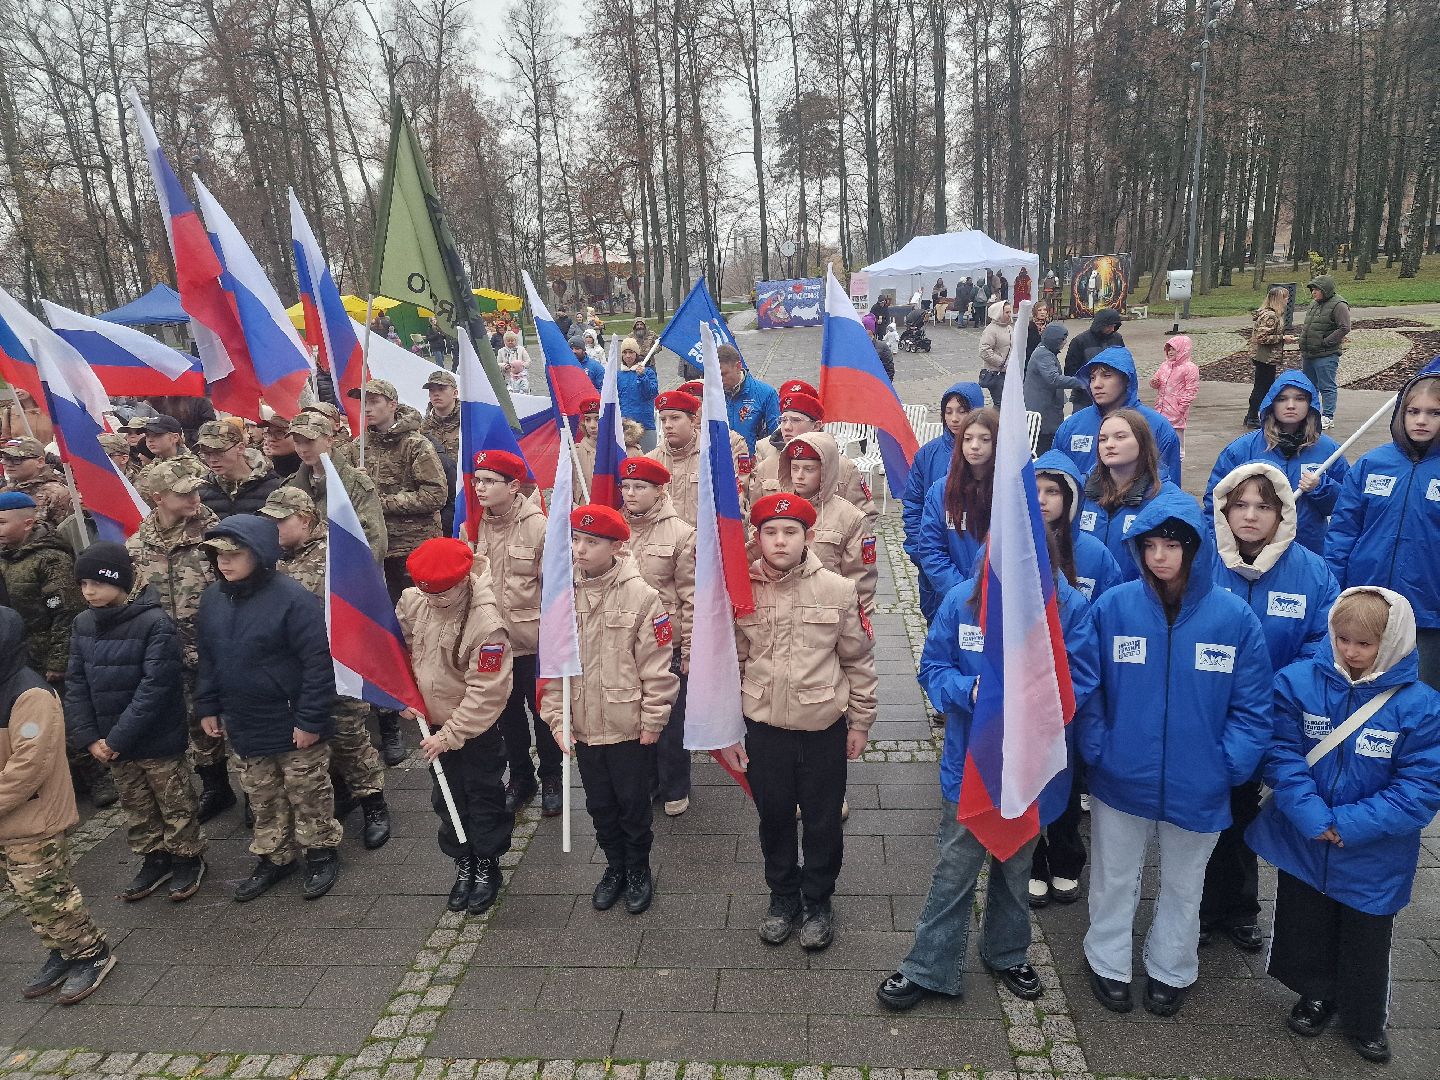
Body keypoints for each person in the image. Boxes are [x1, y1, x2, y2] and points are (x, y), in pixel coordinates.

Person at [879, 531, 1099, 1012]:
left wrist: (1036, 701)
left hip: (1029, 764)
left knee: (1016, 864)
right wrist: (969, 690)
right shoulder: (963, 599)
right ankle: (929, 964)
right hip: (972, 763)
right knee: (955, 867)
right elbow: (933, 668)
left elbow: (1081, 678)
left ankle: (1006, 952)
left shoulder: (1067, 607)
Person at [1079, 493, 1272, 1018]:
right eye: (1149, 546)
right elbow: (1088, 688)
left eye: (1171, 545)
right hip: (1121, 774)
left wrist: (1227, 765)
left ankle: (1171, 967)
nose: (1159, 556)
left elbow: (1254, 706)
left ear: (1195, 549)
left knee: (1186, 885)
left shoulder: (1233, 618)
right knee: (1115, 876)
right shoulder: (1113, 608)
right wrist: (1098, 746)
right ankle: (1108, 959)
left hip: (1200, 781)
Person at [1246, 587, 1440, 1066]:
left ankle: (1364, 1018)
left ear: (1392, 642)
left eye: (1364, 643)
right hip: (1307, 835)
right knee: (1305, 920)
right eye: (1342, 639)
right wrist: (1312, 815)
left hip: (1374, 848)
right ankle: (1313, 995)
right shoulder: (1297, 683)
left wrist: (1347, 824)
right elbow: (1280, 752)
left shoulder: (1420, 707)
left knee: (1367, 935)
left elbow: (1421, 786)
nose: (1350, 652)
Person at [1200, 463, 1338, 951]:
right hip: (1208, 711)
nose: (1251, 516)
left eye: (1264, 506)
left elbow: (1324, 644)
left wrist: (1272, 690)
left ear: (1283, 511)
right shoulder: (1204, 561)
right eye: (1240, 505)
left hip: (1275, 716)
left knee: (1246, 813)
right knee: (1209, 810)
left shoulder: (1311, 571)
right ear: (1224, 509)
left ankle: (1239, 908)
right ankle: (1198, 907)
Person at [736, 493, 876, 951]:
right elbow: (732, 662)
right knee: (773, 817)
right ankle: (783, 896)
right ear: (756, 538)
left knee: (821, 822)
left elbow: (857, 660)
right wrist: (728, 729)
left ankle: (818, 898)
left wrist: (860, 722)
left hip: (822, 727)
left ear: (808, 537)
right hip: (764, 726)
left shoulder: (837, 590)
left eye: (789, 532)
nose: (779, 541)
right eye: (770, 532)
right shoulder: (741, 590)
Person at [195, 515, 341, 902]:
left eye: (235, 554)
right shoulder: (213, 598)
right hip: (244, 720)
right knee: (261, 794)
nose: (225, 563)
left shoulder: (293, 598)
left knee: (307, 790)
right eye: (218, 555)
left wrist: (310, 719)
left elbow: (317, 663)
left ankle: (320, 850)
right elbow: (209, 657)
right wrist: (207, 704)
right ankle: (275, 856)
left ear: (258, 554)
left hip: (292, 719)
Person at [544, 504, 678, 916]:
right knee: (599, 804)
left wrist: (654, 719)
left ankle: (638, 868)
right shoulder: (562, 593)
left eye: (592, 542)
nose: (580, 549)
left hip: (627, 724)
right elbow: (552, 667)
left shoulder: (643, 597)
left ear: (617, 547)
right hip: (584, 722)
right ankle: (614, 865)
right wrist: (557, 718)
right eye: (577, 540)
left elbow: (657, 667)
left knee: (633, 804)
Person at [64, 542, 206, 903]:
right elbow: (76, 682)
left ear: (121, 582)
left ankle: (187, 856)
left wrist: (117, 738)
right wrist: (89, 737)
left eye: (96, 583)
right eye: (82, 585)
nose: (88, 591)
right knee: (137, 804)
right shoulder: (83, 624)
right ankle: (154, 857)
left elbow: (155, 687)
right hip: (110, 740)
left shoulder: (154, 622)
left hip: (154, 736)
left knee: (173, 800)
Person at [261, 487, 390, 849]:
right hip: (295, 671)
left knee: (350, 738)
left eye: (280, 521)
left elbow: (364, 606)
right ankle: (341, 796)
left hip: (340, 665)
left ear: (304, 518)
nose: (273, 529)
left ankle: (373, 802)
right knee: (314, 743)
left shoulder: (338, 553)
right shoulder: (269, 560)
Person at [396, 538, 516, 916]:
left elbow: (488, 691)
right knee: (446, 798)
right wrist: (404, 695)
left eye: (442, 594)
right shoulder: (416, 600)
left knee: (482, 794)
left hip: (472, 730)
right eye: (426, 592)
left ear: (463, 581)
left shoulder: (486, 623)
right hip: (431, 725)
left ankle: (487, 864)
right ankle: (462, 858)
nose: (433, 601)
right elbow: (402, 646)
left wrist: (451, 735)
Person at [2, 609, 115, 1005]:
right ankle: (61, 949)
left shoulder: (30, 694)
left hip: (34, 817)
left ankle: (91, 953)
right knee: (27, 894)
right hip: (7, 818)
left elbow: (28, 765)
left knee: (48, 890)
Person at [1024, 454, 1122, 908]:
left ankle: (1066, 855)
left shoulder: (1096, 555)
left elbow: (1112, 617)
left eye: (1053, 492)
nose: (1044, 501)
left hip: (1076, 690)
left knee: (1068, 774)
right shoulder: (1013, 543)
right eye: (1037, 490)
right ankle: (1032, 857)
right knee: (1028, 777)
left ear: (1071, 498)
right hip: (1027, 691)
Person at [126, 462, 231, 818]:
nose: (194, 498)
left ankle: (258, 794)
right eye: (183, 493)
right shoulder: (137, 544)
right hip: (168, 649)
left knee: (229, 717)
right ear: (158, 498)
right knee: (193, 721)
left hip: (214, 645)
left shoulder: (214, 534)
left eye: (195, 491)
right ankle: (216, 786)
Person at [1325, 368, 1440, 690]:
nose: (1421, 420)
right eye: (1413, 411)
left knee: (1421, 695)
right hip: (1367, 603)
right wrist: (1335, 589)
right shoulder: (1372, 464)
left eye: (1434, 413)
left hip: (1428, 613)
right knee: (1363, 689)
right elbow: (1343, 532)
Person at [467, 450, 558, 815]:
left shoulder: (539, 526)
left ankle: (552, 776)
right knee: (506, 717)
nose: (480, 489)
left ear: (514, 486)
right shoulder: (473, 524)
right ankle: (521, 778)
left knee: (543, 714)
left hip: (533, 642)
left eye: (490, 481)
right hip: (492, 643)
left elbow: (554, 590)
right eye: (477, 481)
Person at [618, 457, 696, 817]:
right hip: (623, 641)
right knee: (635, 715)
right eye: (626, 486)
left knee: (670, 719)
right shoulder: (614, 528)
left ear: (659, 490)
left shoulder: (681, 534)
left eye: (640, 487)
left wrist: (691, 648)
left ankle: (675, 784)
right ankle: (646, 781)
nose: (630, 494)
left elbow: (690, 597)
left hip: (667, 642)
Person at [1204, 372, 1348, 556]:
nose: (1290, 405)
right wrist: (1219, 548)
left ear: (1310, 403)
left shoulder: (1329, 451)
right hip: (1251, 552)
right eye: (1282, 399)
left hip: (1307, 551)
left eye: (1299, 399)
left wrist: (1321, 488)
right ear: (1271, 403)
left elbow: (1347, 505)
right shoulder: (1241, 450)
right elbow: (1214, 502)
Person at [352, 378, 448, 604]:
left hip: (412, 549)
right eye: (364, 402)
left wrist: (379, 501)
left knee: (415, 615)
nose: (367, 408)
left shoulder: (416, 444)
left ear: (392, 405)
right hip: (374, 547)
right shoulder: (358, 445)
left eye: (374, 401)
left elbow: (435, 495)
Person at [901, 383, 984, 616]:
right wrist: (921, 553)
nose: (955, 418)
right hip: (936, 567)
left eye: (962, 411)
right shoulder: (928, 454)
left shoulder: (991, 459)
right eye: (949, 411)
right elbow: (913, 505)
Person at [1077, 410, 1188, 575]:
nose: (1109, 444)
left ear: (1142, 442)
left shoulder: (1167, 500)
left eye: (1120, 437)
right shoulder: (1079, 492)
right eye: (1103, 439)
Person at [1052, 346, 1183, 483]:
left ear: (1126, 379)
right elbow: (1055, 481)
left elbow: (1170, 487)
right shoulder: (1071, 427)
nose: (1097, 384)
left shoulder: (1157, 427)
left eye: (1107, 376)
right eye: (1092, 377)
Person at [751, 384, 876, 527]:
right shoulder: (766, 466)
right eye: (783, 420)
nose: (786, 427)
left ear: (816, 426)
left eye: (796, 420)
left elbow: (864, 519)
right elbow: (754, 517)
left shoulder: (844, 468)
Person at [779, 434, 878, 614]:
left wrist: (853, 632)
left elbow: (861, 582)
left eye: (809, 469)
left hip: (828, 617)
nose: (799, 476)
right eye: (795, 468)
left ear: (826, 471)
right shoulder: (778, 511)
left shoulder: (851, 518)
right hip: (785, 615)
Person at [914, 409, 998, 621]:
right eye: (968, 439)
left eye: (984, 439)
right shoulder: (941, 491)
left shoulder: (1011, 491)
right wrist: (963, 592)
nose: (975, 446)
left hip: (998, 601)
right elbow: (931, 549)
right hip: (953, 598)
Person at [0, 492, 83, 686]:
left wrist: (58, 662)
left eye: (2, 522)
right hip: (10, 654)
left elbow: (68, 610)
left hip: (40, 658)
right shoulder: (4, 555)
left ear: (27, 524)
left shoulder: (51, 558)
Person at [283, 412, 388, 562]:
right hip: (300, 575)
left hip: (345, 575)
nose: (303, 449)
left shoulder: (356, 484)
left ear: (329, 440)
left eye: (309, 441)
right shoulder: (291, 486)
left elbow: (374, 541)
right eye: (297, 442)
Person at [195, 420, 280, 519]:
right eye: (206, 453)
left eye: (219, 452)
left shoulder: (273, 486)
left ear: (240, 448)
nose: (212, 460)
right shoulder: (201, 490)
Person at [1023, 323, 1085, 455]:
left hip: (1047, 406)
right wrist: (1081, 382)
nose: (1065, 342)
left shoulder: (1046, 351)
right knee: (1044, 442)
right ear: (1054, 340)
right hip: (1043, 407)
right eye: (1062, 340)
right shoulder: (1044, 355)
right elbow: (1053, 379)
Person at [1297, 275, 1351, 427]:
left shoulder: (1339, 304)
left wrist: (1326, 342)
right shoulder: (1314, 304)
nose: (1313, 293)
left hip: (1326, 354)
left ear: (1325, 290)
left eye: (1316, 289)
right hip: (1309, 353)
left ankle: (1327, 416)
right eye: (1312, 289)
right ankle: (1310, 413)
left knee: (1327, 386)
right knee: (1309, 386)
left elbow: (1344, 327)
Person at [717, 344, 780, 454]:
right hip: (721, 462)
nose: (719, 379)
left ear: (738, 366)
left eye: (723, 374)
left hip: (752, 464)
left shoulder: (766, 393)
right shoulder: (711, 394)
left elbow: (775, 435)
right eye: (715, 375)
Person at [1, 437, 72, 528]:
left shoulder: (56, 493)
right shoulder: (6, 490)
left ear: (40, 462)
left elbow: (67, 534)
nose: (9, 464)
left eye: (16, 459)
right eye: (5, 459)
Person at [1150, 335, 1200, 460]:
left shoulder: (1190, 368)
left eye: (1174, 349)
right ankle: (1160, 454)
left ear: (1183, 350)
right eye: (1169, 349)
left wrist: (1182, 407)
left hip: (1176, 408)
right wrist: (1155, 382)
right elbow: (1157, 381)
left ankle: (1178, 457)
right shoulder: (1165, 365)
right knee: (1160, 431)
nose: (1171, 352)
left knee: (1177, 434)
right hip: (1161, 406)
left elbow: (1191, 389)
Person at [1245, 285, 1290, 426]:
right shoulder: (1270, 316)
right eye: (1285, 297)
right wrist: (1282, 338)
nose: (1287, 300)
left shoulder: (1267, 313)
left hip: (1263, 357)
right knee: (1262, 386)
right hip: (1265, 357)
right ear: (1278, 299)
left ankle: (1251, 415)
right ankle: (1253, 416)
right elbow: (1262, 337)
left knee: (1261, 385)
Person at [1062, 309, 1125, 407]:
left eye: (1114, 326)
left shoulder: (1117, 338)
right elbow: (1070, 370)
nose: (1112, 329)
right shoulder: (1080, 341)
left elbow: (1123, 363)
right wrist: (1087, 384)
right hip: (1084, 398)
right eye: (1109, 326)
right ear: (1100, 325)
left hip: (1112, 396)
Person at [136, 415, 201, 496]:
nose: (150, 440)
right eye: (147, 435)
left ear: (175, 437)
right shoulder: (153, 464)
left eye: (157, 435)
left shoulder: (192, 465)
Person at [617, 337, 661, 452]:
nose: (628, 356)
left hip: (645, 425)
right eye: (625, 353)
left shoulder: (648, 372)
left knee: (648, 460)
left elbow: (651, 393)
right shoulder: (618, 375)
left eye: (631, 352)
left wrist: (642, 377)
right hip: (625, 427)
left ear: (636, 354)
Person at [420, 369, 461, 465]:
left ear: (455, 393)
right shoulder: (423, 428)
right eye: (432, 390)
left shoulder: (468, 421)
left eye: (441, 389)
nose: (436, 394)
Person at [977, 302, 1013, 406]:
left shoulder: (1009, 328)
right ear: (999, 313)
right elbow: (984, 350)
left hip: (1006, 372)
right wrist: (1001, 362)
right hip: (995, 373)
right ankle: (994, 422)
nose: (1009, 314)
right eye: (1006, 312)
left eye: (1010, 312)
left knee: (1006, 403)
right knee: (1001, 404)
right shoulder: (991, 330)